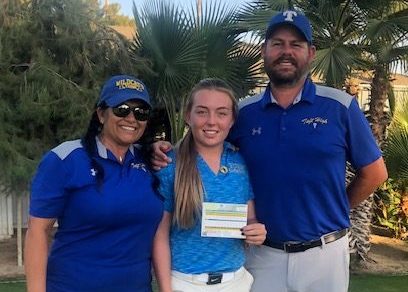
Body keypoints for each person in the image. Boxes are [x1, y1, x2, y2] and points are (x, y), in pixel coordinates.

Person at [151, 10, 388, 292]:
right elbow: (206, 139)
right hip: (263, 253)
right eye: (277, 43)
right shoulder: (245, 112)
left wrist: (335, 208)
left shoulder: (340, 106)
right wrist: (164, 149)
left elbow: (375, 173)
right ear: (264, 51)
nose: (285, 52)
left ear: (311, 53)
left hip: (325, 253)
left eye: (295, 44)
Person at [24, 75, 163, 292]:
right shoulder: (65, 159)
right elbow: (37, 232)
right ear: (100, 114)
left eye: (140, 112)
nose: (131, 118)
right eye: (122, 109)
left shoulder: (150, 160)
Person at [152, 78, 266, 292]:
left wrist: (256, 230)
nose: (212, 121)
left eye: (222, 113)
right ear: (188, 115)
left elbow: (250, 217)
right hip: (185, 283)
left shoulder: (240, 161)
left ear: (232, 119)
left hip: (236, 282)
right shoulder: (169, 164)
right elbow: (160, 234)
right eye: (202, 111)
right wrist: (166, 289)